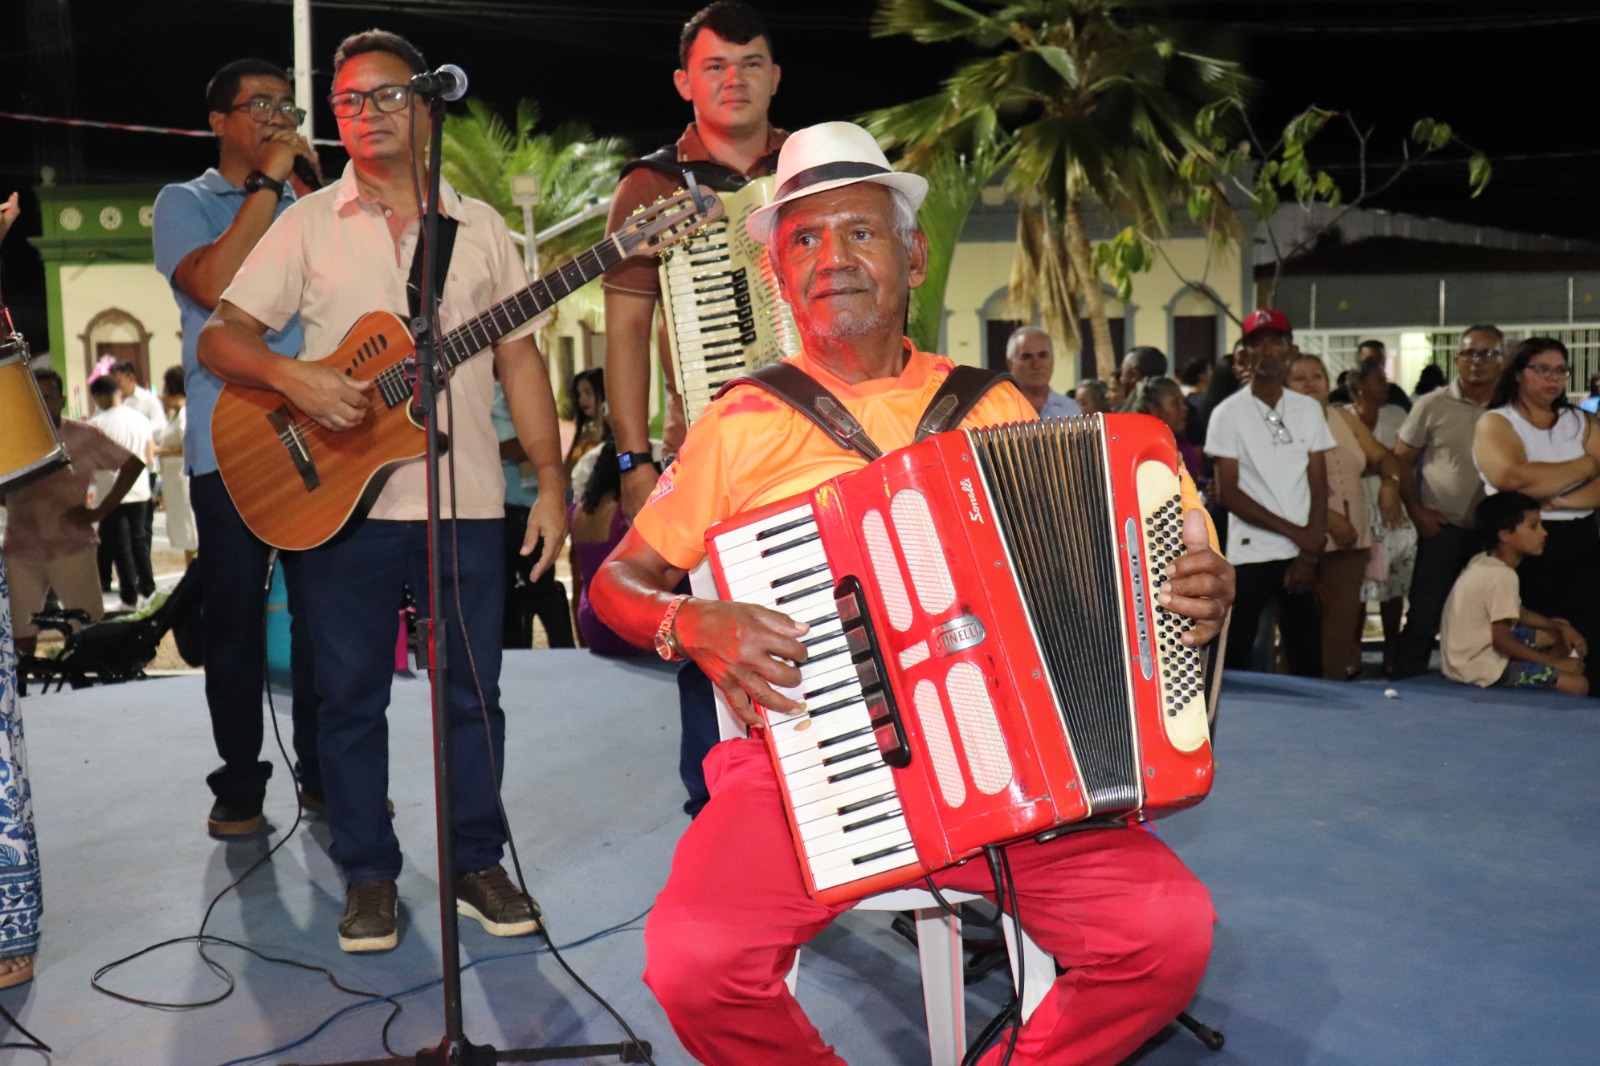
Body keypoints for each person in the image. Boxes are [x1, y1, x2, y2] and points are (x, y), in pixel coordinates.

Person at [589, 120, 1232, 1066]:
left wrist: (1192, 585)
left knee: (1166, 937)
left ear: (914, 256)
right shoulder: (741, 421)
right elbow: (618, 583)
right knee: (695, 961)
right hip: (806, 765)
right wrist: (693, 619)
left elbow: (1118, 572)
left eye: (858, 232)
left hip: (1014, 771)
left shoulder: (994, 407)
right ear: (777, 273)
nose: (830, 259)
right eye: (802, 240)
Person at [198, 29, 565, 952]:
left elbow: (520, 357)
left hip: (469, 500)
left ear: (428, 103)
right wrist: (296, 381)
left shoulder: (479, 227)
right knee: (349, 697)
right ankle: (368, 874)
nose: (363, 114)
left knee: (473, 697)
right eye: (348, 103)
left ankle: (479, 862)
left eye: (385, 96)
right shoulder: (307, 222)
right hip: (337, 508)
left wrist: (553, 483)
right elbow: (222, 338)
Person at [601, 0, 785, 819]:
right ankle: (722, 816)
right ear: (685, 82)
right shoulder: (651, 185)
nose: (734, 80)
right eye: (715, 66)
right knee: (708, 635)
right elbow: (628, 332)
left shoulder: (816, 163)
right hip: (711, 454)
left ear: (775, 75)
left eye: (750, 63)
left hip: (832, 447)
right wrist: (634, 462)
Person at [152, 57, 325, 837]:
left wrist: (309, 192)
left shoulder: (313, 201)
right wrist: (267, 189)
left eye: (286, 105)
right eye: (259, 105)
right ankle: (242, 784)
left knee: (328, 617)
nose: (277, 118)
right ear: (218, 121)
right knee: (234, 622)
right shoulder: (184, 203)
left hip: (324, 433)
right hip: (230, 443)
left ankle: (327, 773)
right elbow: (216, 287)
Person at [1471, 337, 1600, 696]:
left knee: (1591, 630)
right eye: (1542, 369)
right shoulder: (1497, 422)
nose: (1553, 379)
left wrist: (1560, 498)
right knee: (1538, 633)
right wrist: (1585, 465)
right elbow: (1510, 478)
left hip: (1581, 538)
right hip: (1522, 544)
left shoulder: (1581, 421)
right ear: (1517, 373)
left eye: (1560, 371)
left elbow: (1530, 481)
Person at [1205, 325, 1334, 676]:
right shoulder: (1226, 413)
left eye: (1275, 342)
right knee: (1237, 657)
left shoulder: (1308, 409)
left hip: (1301, 555)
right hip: (1250, 552)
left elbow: (1320, 484)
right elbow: (1228, 492)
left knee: (1307, 654)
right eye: (1256, 343)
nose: (1267, 350)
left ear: (1290, 350)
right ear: (1243, 355)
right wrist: (1299, 534)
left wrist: (1309, 551)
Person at [1390, 326, 1506, 679]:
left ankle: (1490, 680)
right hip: (1444, 527)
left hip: (1501, 535)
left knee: (1497, 614)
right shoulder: (1432, 404)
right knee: (1425, 612)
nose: (1477, 362)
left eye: (1487, 354)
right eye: (1470, 353)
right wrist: (1416, 511)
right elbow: (1401, 461)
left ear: (1503, 360)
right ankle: (1406, 681)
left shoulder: (1513, 405)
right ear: (1457, 360)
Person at [2, 371, 144, 657]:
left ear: (62, 400)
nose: (42, 403)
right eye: (35, 397)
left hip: (72, 546)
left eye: (49, 396)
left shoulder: (84, 436)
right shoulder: (10, 437)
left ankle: (88, 689)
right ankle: (25, 696)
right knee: (20, 636)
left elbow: (133, 464)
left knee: (88, 630)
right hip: (21, 549)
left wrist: (100, 511)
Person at [1286, 354, 1404, 680]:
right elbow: (1275, 483)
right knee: (1303, 631)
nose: (1310, 383)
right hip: (1302, 540)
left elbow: (1384, 457)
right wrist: (1328, 518)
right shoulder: (1278, 425)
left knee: (1342, 624)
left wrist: (1389, 486)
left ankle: (1333, 696)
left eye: (1317, 376)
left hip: (1353, 541)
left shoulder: (1344, 418)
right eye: (1299, 378)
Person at [1440, 491, 1588, 696]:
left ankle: (1542, 677)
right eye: (1533, 526)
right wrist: (1557, 663)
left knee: (1558, 630)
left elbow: (1514, 611)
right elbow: (1503, 641)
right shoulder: (1502, 576)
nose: (1543, 533)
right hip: (1481, 667)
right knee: (1578, 685)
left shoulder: (1483, 560)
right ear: (1505, 535)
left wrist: (1558, 626)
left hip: (1464, 657)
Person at [1346, 359, 1416, 675]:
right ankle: (1353, 649)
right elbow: (1349, 464)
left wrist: (1385, 468)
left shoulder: (1396, 415)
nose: (1385, 385)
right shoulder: (1342, 416)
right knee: (1358, 583)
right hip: (1357, 504)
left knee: (1394, 582)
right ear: (1359, 384)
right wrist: (1383, 463)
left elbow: (1400, 461)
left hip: (1391, 504)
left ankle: (1392, 648)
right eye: (1377, 379)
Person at [496, 378, 574, 650]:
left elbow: (534, 442)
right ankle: (514, 652)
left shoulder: (524, 391)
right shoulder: (488, 394)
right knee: (505, 592)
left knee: (541, 587)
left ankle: (564, 650)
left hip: (532, 510)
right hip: (501, 511)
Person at [86, 375, 156, 609]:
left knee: (120, 546)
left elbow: (93, 460)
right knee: (140, 542)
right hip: (140, 488)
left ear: (99, 396)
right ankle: (149, 588)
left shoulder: (98, 422)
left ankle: (129, 596)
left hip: (112, 491)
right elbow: (148, 454)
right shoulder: (140, 418)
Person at [569, 441, 645, 656]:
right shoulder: (629, 513)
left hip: (591, 623)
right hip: (624, 623)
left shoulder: (578, 512)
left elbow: (577, 582)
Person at [154, 366, 198, 563]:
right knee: (183, 528)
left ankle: (194, 569)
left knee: (190, 527)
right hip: (172, 478)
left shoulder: (183, 416)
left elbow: (187, 447)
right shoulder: (175, 414)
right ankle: (190, 567)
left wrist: (160, 451)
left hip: (182, 478)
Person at [1131, 376, 1203, 482]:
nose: (1185, 408)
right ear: (1153, 410)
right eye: (1175, 403)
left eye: (1182, 401)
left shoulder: (1183, 444)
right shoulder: (1142, 455)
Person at [1005, 325, 1081, 417]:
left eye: (1043, 356)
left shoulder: (1072, 410)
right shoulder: (998, 410)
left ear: (1053, 360)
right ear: (1011, 364)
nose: (1036, 365)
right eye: (1026, 357)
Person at [1117, 345, 1168, 412]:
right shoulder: (1172, 413)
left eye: (1122, 373)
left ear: (1134, 375)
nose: (1120, 379)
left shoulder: (1126, 418)